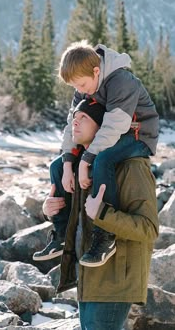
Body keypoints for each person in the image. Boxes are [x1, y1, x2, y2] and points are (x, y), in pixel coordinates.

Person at [33, 40, 159, 267]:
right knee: (57, 166)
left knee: (103, 160)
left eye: (81, 84)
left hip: (138, 134)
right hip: (112, 134)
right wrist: (69, 163)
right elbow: (71, 125)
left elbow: (114, 126)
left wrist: (86, 161)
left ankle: (105, 237)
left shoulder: (121, 81)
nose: (80, 91)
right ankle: (61, 232)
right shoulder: (84, 86)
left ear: (96, 71)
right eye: (75, 87)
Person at [42, 100, 159, 330]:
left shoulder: (131, 166)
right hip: (87, 279)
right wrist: (49, 211)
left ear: (104, 127)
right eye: (74, 116)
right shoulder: (79, 167)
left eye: (84, 117)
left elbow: (149, 228)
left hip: (114, 283)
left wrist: (103, 213)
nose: (75, 121)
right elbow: (77, 224)